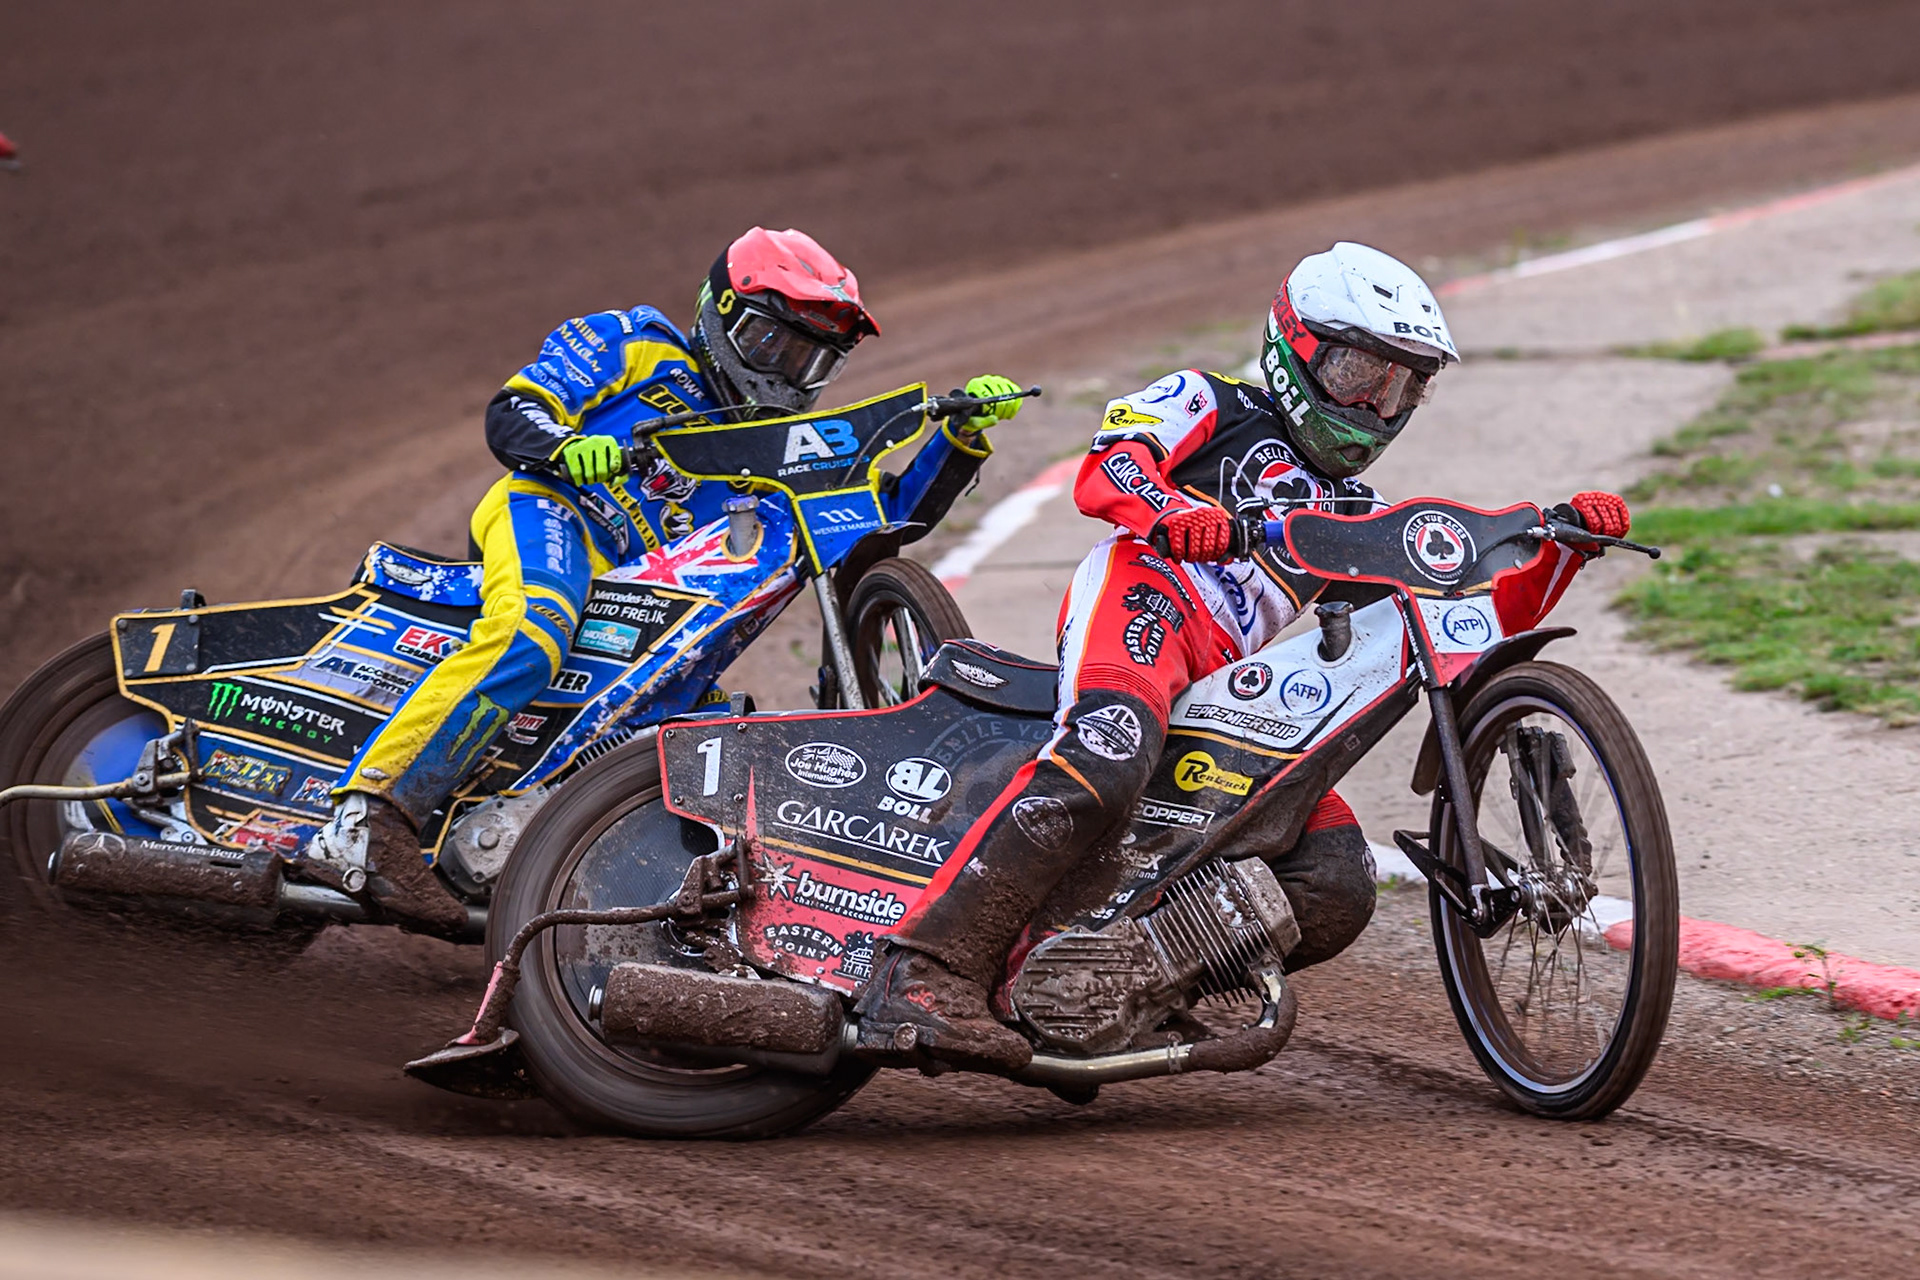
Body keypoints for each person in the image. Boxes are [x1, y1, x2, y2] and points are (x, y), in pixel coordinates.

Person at [854, 241, 1634, 1072]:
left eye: (1402, 385)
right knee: (1106, 758)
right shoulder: (1207, 400)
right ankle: (922, 975)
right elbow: (1106, 464)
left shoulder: (1351, 513)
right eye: (1358, 375)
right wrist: (1167, 514)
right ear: (1293, 349)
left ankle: (1113, 986)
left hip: (1221, 688)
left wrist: (1561, 551)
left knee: (1336, 879)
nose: (1375, 406)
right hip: (1143, 604)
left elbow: (1474, 625)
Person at [299, 227, 1026, 932]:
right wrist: (570, 446)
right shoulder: (635, 340)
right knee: (533, 629)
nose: (782, 370)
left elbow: (884, 519)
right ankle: (369, 819)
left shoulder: (780, 452)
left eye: (809, 360)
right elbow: (515, 410)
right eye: (773, 342)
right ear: (722, 315)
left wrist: (958, 444)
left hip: (651, 609)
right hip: (557, 514)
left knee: (713, 739)